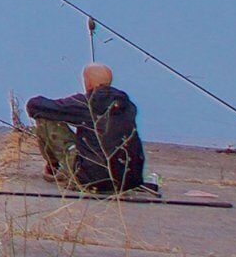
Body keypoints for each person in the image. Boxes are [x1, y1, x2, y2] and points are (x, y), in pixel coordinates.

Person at [27, 63, 147, 193]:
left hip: (90, 178)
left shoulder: (85, 103)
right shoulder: (128, 105)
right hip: (128, 180)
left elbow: (36, 106)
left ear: (88, 82)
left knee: (45, 118)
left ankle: (53, 167)